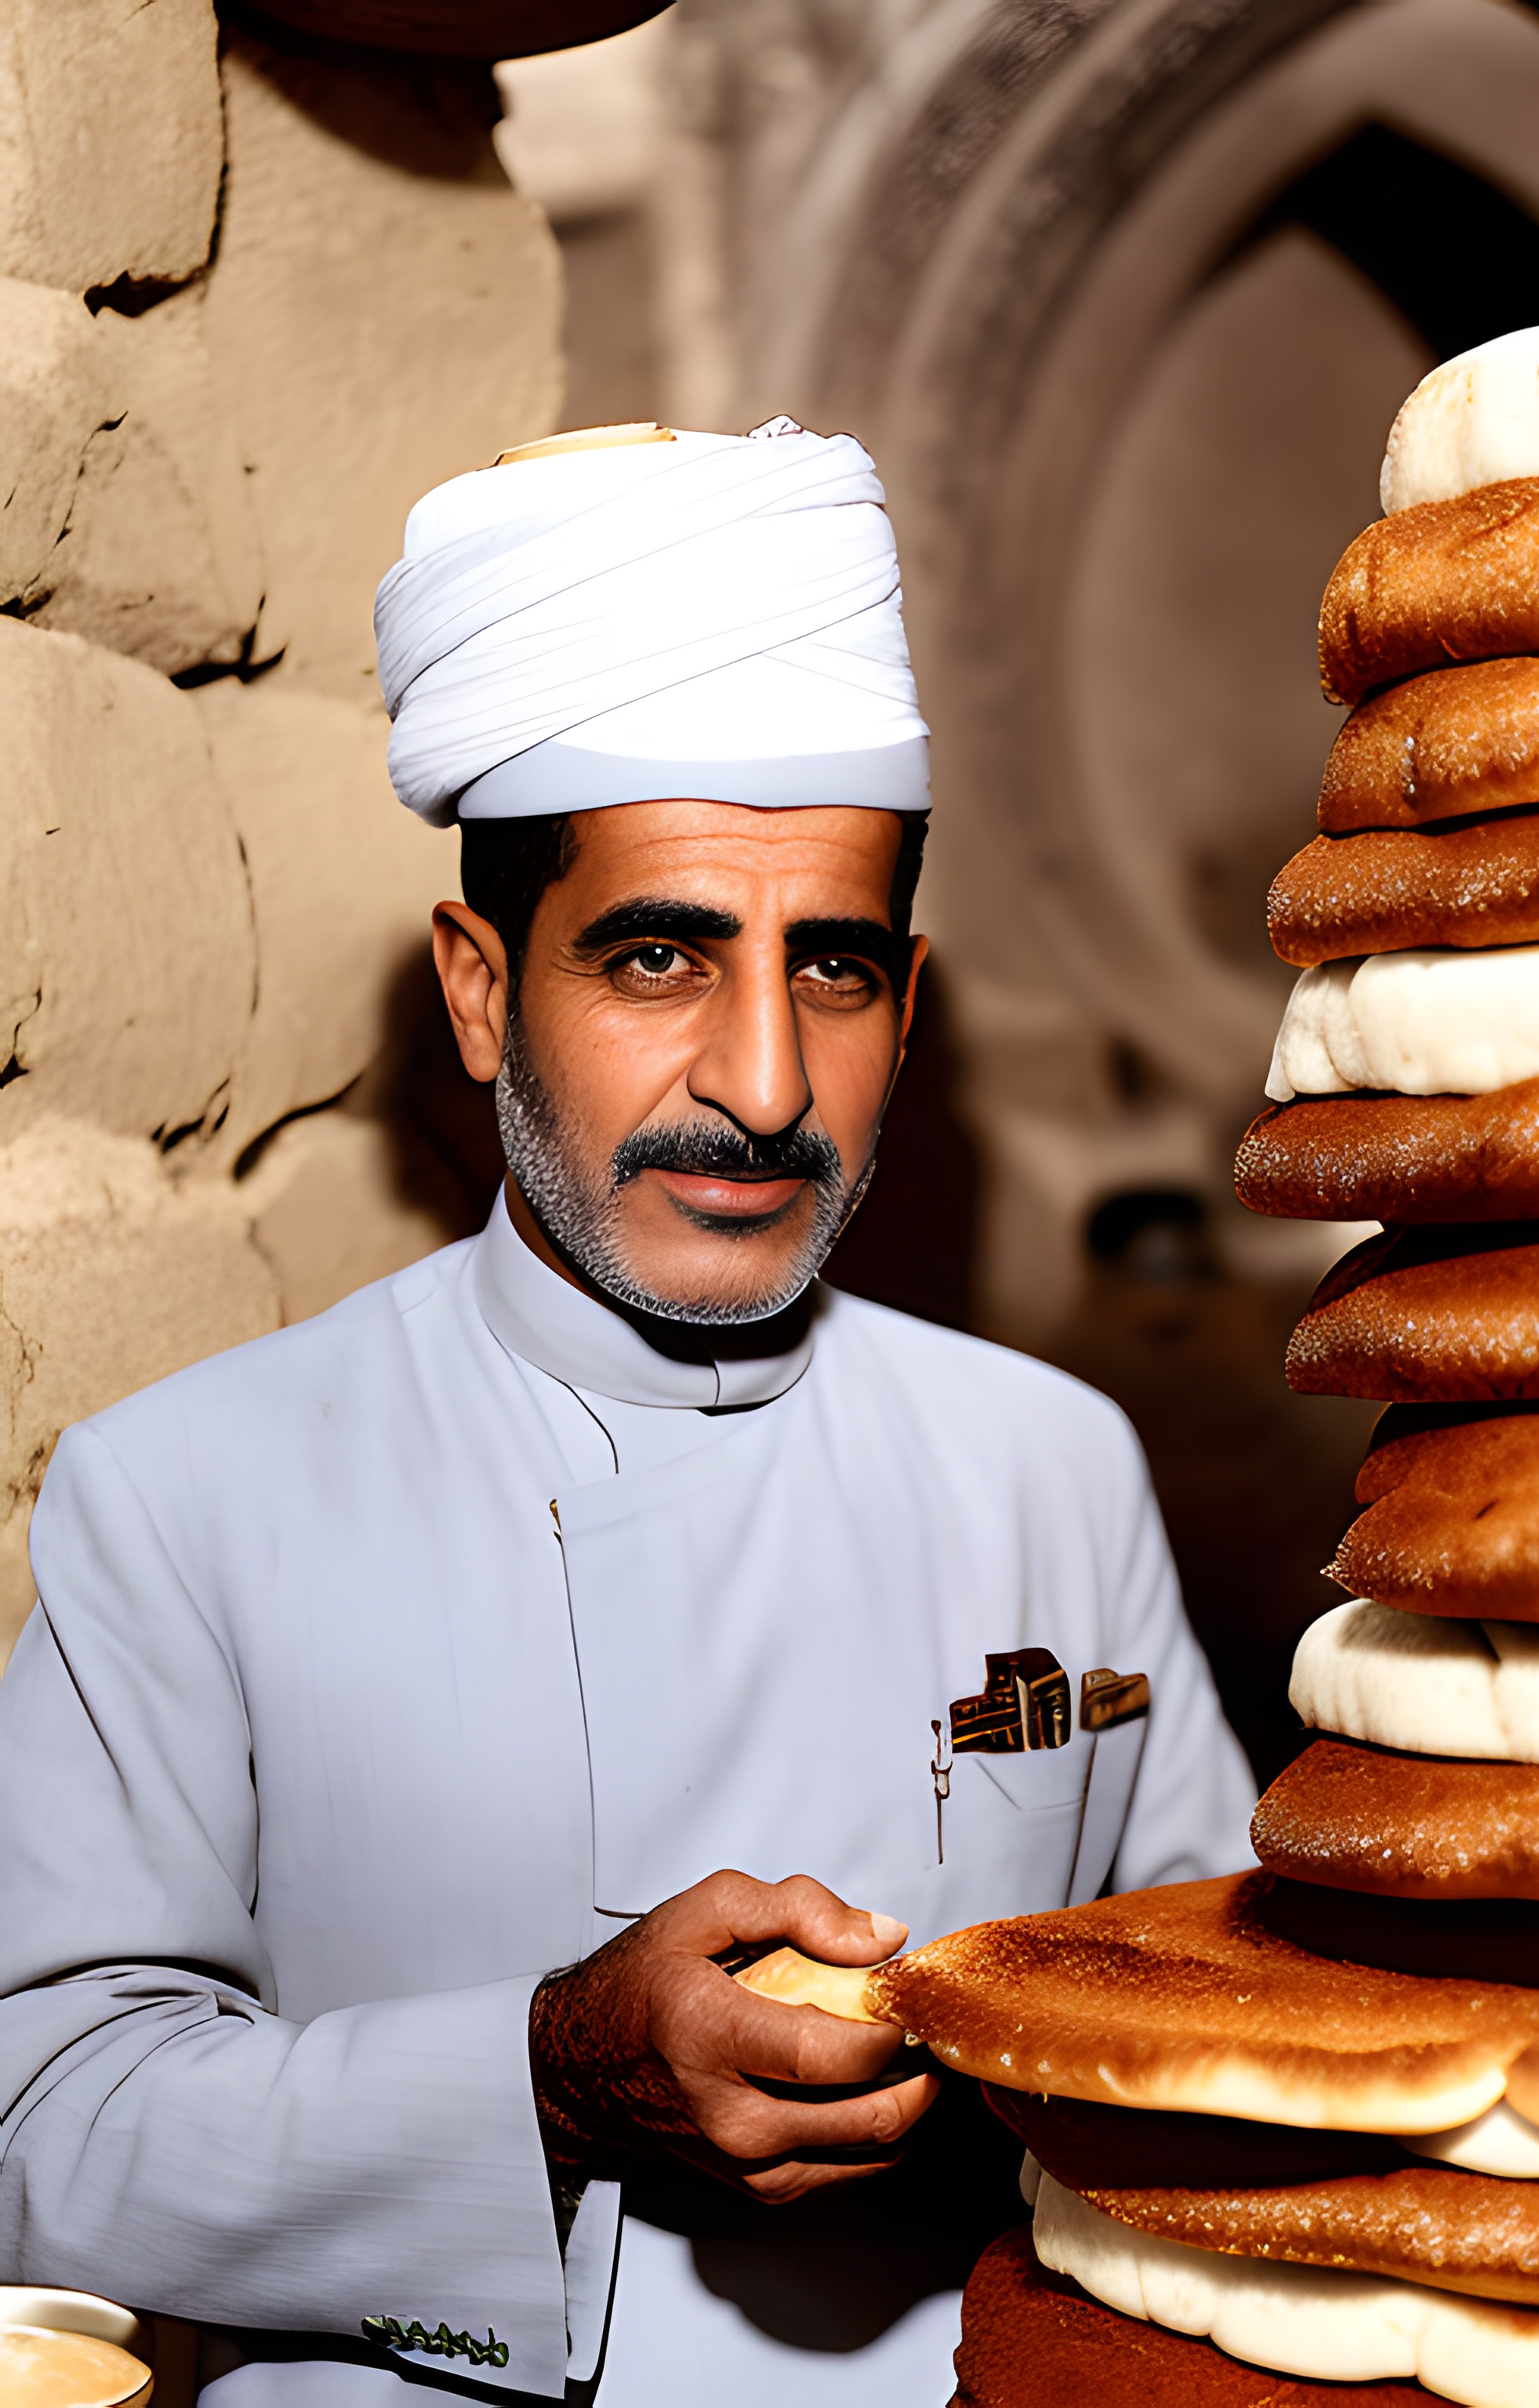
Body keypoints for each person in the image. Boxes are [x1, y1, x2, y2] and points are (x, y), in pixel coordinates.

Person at [0, 418, 1254, 2405]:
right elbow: (41, 2131)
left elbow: (1220, 2042)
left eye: (832, 968)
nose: (763, 1084)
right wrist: (542, 2079)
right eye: (659, 956)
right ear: (480, 988)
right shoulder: (188, 1496)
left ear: (911, 997)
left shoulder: (1051, 1462)